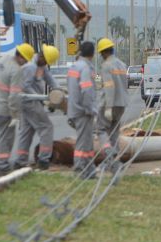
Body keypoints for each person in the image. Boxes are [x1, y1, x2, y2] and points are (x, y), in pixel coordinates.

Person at [0, 43, 34, 174]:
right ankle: (3, 166)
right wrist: (15, 114)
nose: (25, 63)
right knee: (4, 139)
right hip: (4, 109)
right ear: (22, 57)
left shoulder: (1, 60)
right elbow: (14, 96)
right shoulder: (16, 70)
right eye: (26, 60)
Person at [14, 44, 60, 171]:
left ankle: (20, 161)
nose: (45, 64)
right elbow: (25, 86)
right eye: (45, 61)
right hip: (29, 101)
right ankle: (44, 159)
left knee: (26, 131)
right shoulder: (31, 67)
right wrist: (42, 98)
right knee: (47, 128)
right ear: (42, 56)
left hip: (30, 101)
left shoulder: (40, 65)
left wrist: (59, 90)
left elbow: (50, 79)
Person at [95, 38, 128, 169]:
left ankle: (109, 156)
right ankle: (115, 161)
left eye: (101, 53)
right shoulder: (122, 64)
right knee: (114, 132)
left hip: (110, 103)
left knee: (101, 129)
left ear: (103, 52)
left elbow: (109, 87)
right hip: (122, 104)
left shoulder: (106, 65)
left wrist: (108, 107)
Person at [67, 41, 98, 179]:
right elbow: (86, 90)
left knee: (87, 141)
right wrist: (90, 109)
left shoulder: (74, 66)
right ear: (92, 54)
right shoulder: (85, 68)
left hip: (74, 109)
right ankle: (80, 169)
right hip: (83, 111)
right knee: (82, 142)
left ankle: (89, 168)